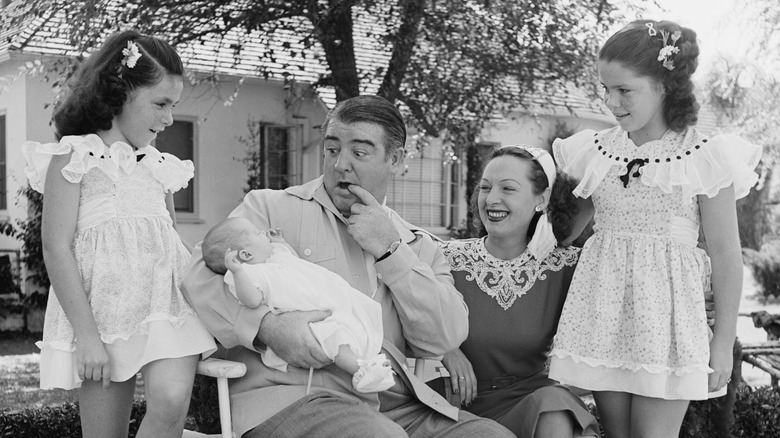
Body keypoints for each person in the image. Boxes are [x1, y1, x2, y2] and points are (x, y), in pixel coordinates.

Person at [181, 95, 514, 438]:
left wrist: (391, 251)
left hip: (393, 405)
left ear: (395, 159)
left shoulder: (418, 246)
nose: (340, 164)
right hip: (293, 397)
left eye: (359, 152)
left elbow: (444, 337)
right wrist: (266, 326)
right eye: (332, 149)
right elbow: (196, 275)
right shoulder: (268, 210)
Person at [548, 19, 762, 437]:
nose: (611, 101)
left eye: (624, 90)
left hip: (666, 327)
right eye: (606, 89)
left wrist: (722, 343)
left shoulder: (703, 155)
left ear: (664, 85)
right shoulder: (595, 151)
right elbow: (562, 233)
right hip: (604, 319)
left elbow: (725, 255)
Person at [23, 30, 217, 438]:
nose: (168, 119)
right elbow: (55, 248)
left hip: (166, 307)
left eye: (174, 107)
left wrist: (219, 261)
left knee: (170, 400)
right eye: (161, 104)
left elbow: (170, 242)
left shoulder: (158, 164)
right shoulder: (73, 157)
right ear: (120, 91)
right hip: (103, 317)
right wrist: (88, 338)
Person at [428, 145, 601, 438]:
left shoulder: (567, 265)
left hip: (533, 400)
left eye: (508, 188)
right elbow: (408, 306)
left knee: (555, 409)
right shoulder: (445, 257)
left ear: (542, 199)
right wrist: (447, 349)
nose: (492, 199)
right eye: (485, 187)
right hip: (459, 402)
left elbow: (626, 290)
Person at [201, 217, 395, 393]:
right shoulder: (252, 274)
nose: (263, 232)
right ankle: (359, 370)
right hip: (311, 323)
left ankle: (371, 367)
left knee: (352, 325)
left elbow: (293, 258)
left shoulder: (276, 255)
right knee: (336, 335)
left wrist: (280, 241)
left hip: (327, 302)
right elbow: (251, 300)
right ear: (245, 254)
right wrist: (237, 271)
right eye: (258, 233)